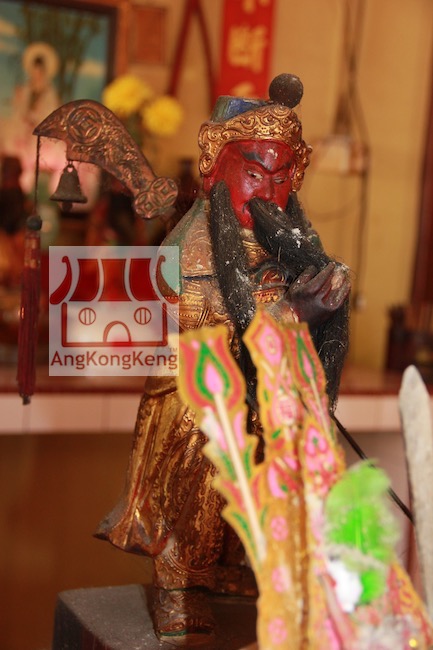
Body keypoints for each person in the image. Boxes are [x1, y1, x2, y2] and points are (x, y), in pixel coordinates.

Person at [96, 74, 351, 643]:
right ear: (215, 168)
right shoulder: (194, 244)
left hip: (268, 384)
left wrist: (322, 307)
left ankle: (243, 565)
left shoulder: (286, 239)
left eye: (282, 179)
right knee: (214, 428)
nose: (268, 194)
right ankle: (181, 581)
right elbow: (200, 331)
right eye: (254, 174)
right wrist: (291, 313)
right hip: (199, 388)